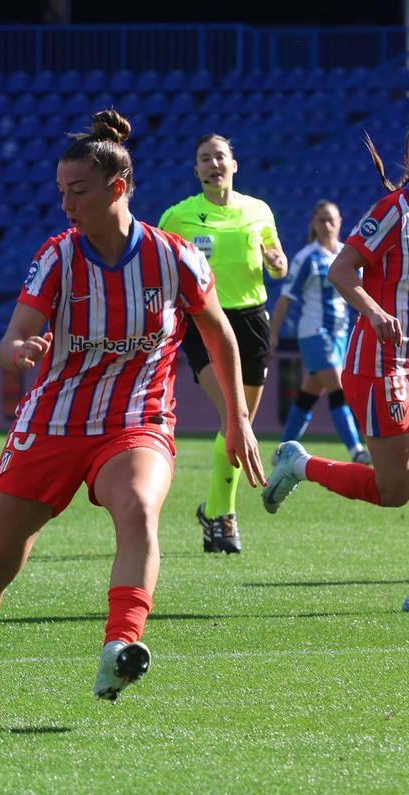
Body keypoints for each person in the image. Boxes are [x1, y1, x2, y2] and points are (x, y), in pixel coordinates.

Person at [0, 110, 265, 717]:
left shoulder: (174, 256)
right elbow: (9, 341)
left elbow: (220, 335)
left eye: (77, 192)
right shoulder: (57, 257)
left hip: (138, 420)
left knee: (138, 510)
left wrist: (237, 418)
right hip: (52, 422)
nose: (66, 204)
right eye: (61, 193)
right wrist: (18, 351)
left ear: (118, 187)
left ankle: (121, 643)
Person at [264, 132, 409, 522]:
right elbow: (341, 270)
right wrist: (376, 312)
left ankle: (296, 458)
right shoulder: (394, 211)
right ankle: (303, 464)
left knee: (396, 489)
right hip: (382, 363)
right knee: (393, 491)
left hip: (387, 354)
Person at [159, 134, 288, 554]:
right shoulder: (178, 217)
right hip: (205, 321)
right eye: (204, 159)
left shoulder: (258, 210)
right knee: (235, 418)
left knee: (238, 421)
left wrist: (276, 262)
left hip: (251, 320)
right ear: (196, 171)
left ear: (235, 164)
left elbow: (278, 263)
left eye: (219, 156)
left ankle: (214, 511)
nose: (213, 163)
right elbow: (157, 265)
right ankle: (225, 520)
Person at [267, 200, 369, 464]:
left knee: (309, 395)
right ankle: (356, 450)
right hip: (313, 333)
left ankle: (281, 453)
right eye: (321, 220)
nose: (326, 225)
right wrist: (273, 334)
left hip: (340, 335)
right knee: (340, 388)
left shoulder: (348, 255)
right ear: (313, 223)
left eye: (331, 220)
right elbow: (285, 299)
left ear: (340, 222)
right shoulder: (306, 258)